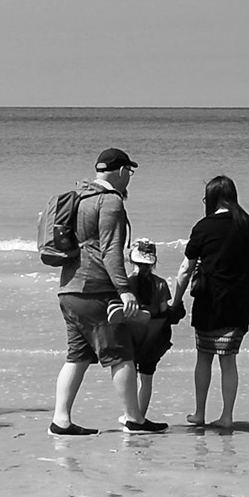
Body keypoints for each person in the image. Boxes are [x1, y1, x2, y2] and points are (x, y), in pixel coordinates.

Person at [52, 149, 163, 435]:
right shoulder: (110, 202)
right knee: (122, 354)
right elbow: (111, 250)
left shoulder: (79, 196)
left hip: (69, 289)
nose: (130, 178)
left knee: (76, 356)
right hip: (95, 290)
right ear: (121, 171)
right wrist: (124, 290)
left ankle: (60, 420)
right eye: (130, 172)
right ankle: (134, 419)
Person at [173, 175, 249, 431]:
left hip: (209, 302)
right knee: (229, 360)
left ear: (211, 199)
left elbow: (185, 269)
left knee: (204, 357)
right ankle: (227, 416)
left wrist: (176, 301)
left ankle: (199, 413)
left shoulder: (204, 227)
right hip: (240, 302)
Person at [117, 238, 179, 425]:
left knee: (129, 376)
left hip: (132, 337)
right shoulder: (160, 284)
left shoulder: (126, 284)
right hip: (153, 339)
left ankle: (129, 414)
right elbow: (162, 311)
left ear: (131, 259)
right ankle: (139, 417)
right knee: (147, 378)